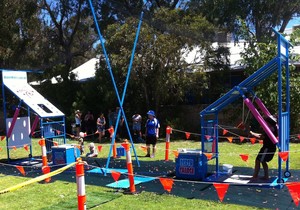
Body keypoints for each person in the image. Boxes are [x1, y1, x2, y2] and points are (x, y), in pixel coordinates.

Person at [249, 115, 278, 180]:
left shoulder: (270, 130)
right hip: (267, 147)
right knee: (260, 161)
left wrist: (252, 134)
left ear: (269, 123)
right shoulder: (273, 128)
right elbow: (261, 135)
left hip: (268, 148)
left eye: (266, 122)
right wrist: (253, 133)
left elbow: (261, 137)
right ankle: (262, 176)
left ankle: (257, 176)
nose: (265, 123)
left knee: (260, 161)